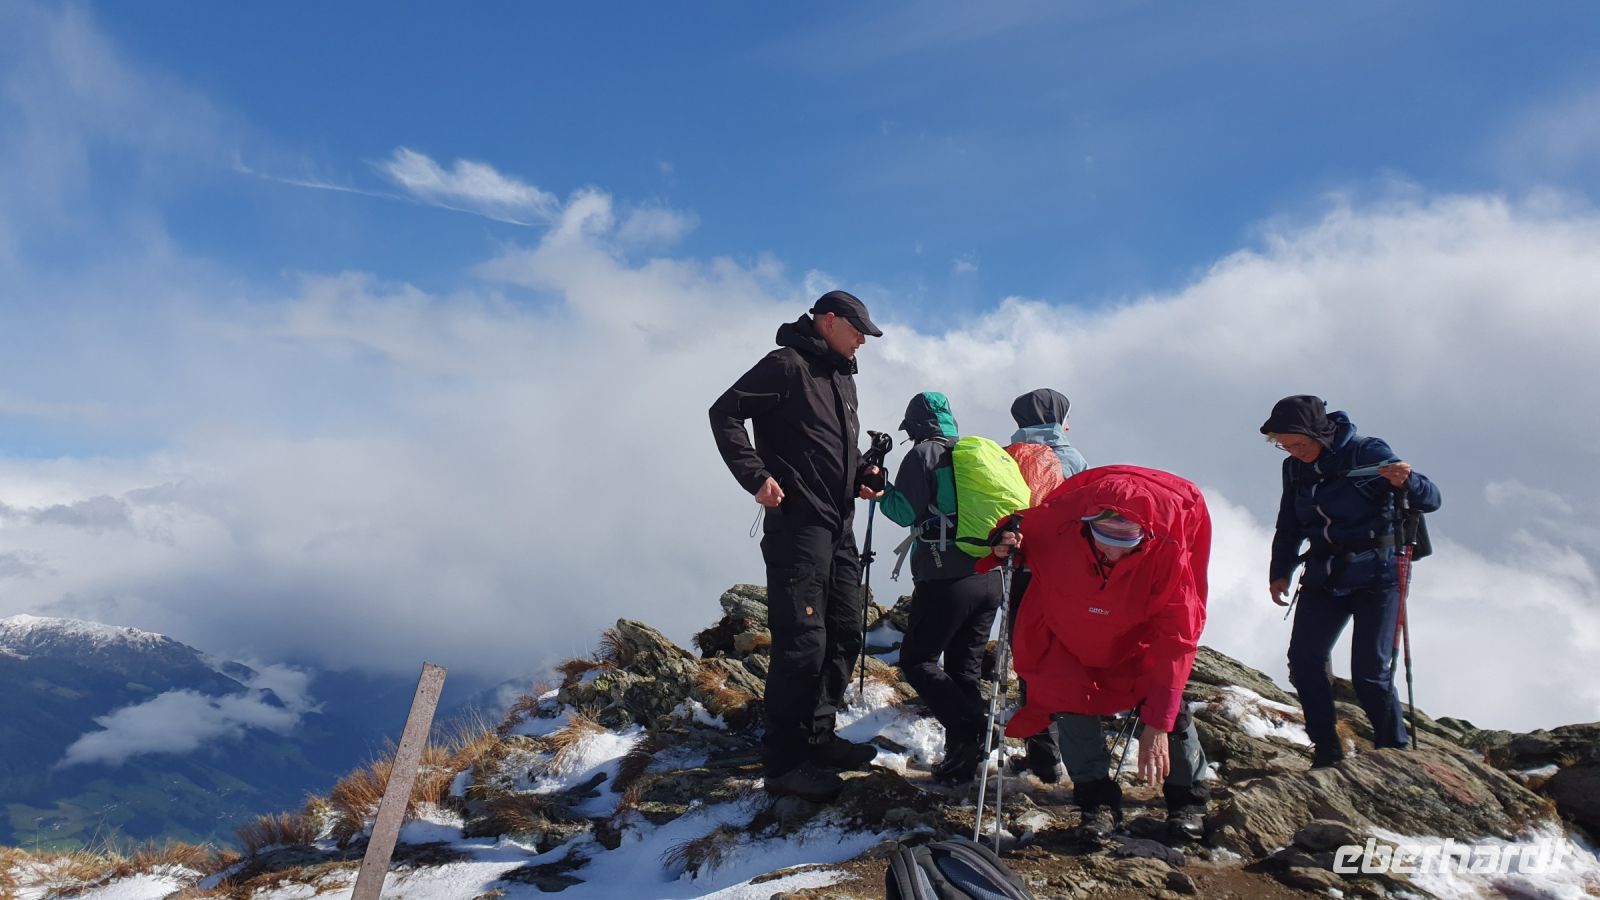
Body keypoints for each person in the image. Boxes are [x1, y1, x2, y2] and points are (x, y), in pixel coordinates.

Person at [709, 290, 885, 802]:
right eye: (858, 333)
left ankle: (818, 737)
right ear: (829, 322)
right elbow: (724, 413)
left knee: (846, 633)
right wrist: (755, 477)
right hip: (798, 527)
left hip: (839, 525)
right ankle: (785, 764)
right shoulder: (785, 365)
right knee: (802, 643)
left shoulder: (840, 376)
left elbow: (832, 448)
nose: (862, 343)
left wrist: (862, 475)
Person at [989, 465, 1211, 841]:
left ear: (1147, 534)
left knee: (1170, 713)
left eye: (1125, 539)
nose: (1111, 547)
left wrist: (1156, 723)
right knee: (1071, 703)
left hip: (1137, 643)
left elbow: (1177, 639)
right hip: (1068, 635)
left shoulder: (1169, 554)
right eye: (1103, 534)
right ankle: (1096, 804)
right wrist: (1002, 541)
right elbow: (1021, 530)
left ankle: (1187, 801)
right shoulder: (1063, 524)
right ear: (1085, 522)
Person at [1261, 395, 1441, 769]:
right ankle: (1326, 751)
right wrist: (1280, 570)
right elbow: (1289, 523)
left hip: (1379, 575)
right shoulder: (1294, 469)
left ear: (1318, 433)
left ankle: (1395, 753)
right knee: (1305, 661)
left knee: (1370, 675)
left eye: (1299, 443)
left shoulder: (1366, 452)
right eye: (1285, 445)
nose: (1295, 452)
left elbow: (1431, 498)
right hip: (1324, 574)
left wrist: (1409, 481)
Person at [877, 392, 1004, 786]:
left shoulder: (923, 455)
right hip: (991, 578)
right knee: (963, 670)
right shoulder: (977, 453)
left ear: (915, 425)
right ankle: (961, 762)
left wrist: (881, 490)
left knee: (918, 660)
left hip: (946, 576)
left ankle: (974, 730)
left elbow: (904, 513)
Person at [1001, 388, 1090, 783]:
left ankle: (1043, 755)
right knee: (1069, 661)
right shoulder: (1073, 459)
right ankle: (1077, 755)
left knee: (1028, 660)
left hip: (1019, 572)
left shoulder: (1007, 456)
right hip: (1065, 578)